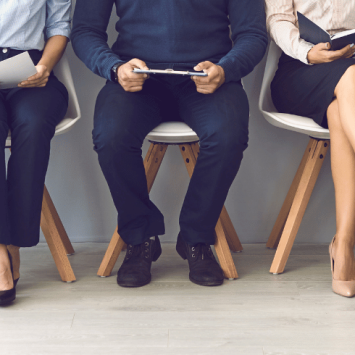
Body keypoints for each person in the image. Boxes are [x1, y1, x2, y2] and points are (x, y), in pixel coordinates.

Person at [71, 0, 268, 288]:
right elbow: (85, 30)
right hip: (137, 77)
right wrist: (114, 68)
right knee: (110, 136)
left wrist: (225, 69)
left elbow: (253, 34)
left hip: (209, 76)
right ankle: (140, 238)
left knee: (228, 136)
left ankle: (195, 237)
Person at [266, 0, 355, 297]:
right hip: (301, 67)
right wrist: (306, 51)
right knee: (351, 81)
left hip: (352, 65)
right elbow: (277, 19)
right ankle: (342, 246)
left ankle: (342, 245)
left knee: (337, 114)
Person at [0, 0, 71, 305]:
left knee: (32, 124)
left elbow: (59, 29)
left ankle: (15, 242)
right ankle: (1, 253)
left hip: (29, 71)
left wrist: (44, 66)